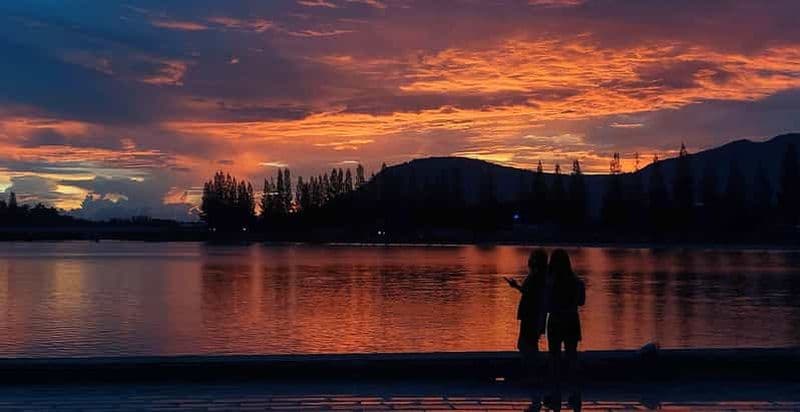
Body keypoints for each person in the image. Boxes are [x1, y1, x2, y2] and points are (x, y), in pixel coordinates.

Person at [506, 249, 549, 378]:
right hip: (533, 314)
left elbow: (530, 293)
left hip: (531, 315)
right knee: (530, 344)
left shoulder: (536, 276)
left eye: (532, 258)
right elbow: (529, 292)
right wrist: (516, 286)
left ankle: (533, 373)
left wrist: (517, 286)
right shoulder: (541, 276)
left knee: (526, 344)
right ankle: (533, 374)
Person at [546, 249, 585, 385]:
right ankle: (574, 386)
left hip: (556, 320)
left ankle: (555, 386)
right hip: (572, 320)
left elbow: (547, 304)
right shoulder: (577, 281)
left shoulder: (550, 282)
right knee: (571, 354)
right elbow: (581, 302)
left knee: (554, 355)